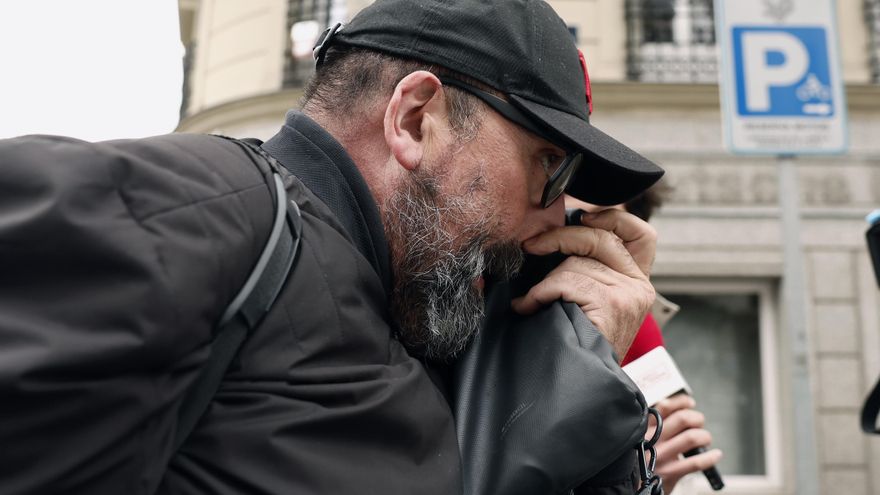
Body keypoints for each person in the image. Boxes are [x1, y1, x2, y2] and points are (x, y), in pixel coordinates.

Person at [0, 0, 664, 493]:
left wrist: (570, 383)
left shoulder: (423, 326)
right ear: (414, 120)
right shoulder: (185, 213)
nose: (555, 214)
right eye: (548, 163)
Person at [567, 184, 723, 493]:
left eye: (596, 227)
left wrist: (647, 482)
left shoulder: (642, 333)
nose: (575, 244)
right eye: (569, 221)